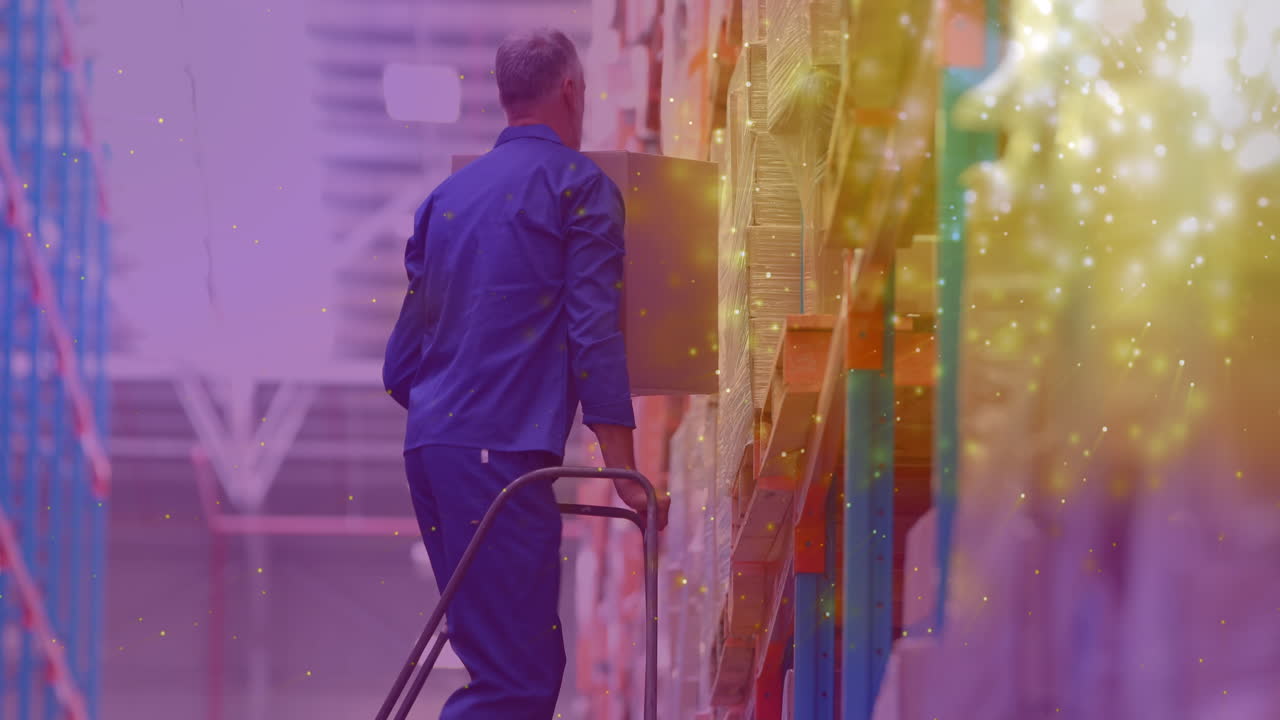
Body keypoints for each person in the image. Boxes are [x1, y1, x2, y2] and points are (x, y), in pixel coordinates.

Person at [381, 27, 670, 719]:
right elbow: (594, 332)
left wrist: (456, 400)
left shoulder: (445, 200)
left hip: (432, 453)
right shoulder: (580, 189)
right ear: (571, 89)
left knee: (507, 660)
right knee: (517, 679)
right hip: (497, 455)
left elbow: (401, 366)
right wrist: (625, 472)